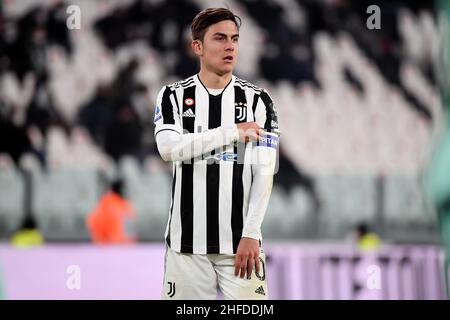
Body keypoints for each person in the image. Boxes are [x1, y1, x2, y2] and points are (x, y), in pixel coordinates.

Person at [154, 8, 279, 300]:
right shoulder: (172, 96)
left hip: (241, 245)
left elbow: (265, 171)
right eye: (220, 38)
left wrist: (251, 233)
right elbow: (169, 149)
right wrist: (232, 132)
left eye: (234, 39)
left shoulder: (259, 101)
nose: (230, 46)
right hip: (187, 247)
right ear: (197, 46)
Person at [86, 179, 137, 244]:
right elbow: (94, 223)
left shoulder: (124, 205)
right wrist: (104, 239)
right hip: (110, 245)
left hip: (123, 245)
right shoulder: (108, 204)